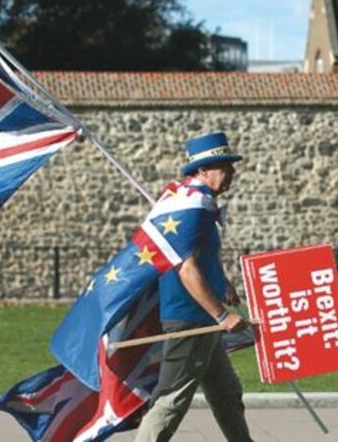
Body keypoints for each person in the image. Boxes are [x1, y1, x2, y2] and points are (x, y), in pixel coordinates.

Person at [135, 131, 254, 442]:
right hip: (191, 316)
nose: (232, 173)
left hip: (202, 318)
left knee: (226, 392)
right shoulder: (194, 207)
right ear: (202, 171)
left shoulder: (192, 203)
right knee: (171, 399)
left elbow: (199, 256)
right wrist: (221, 315)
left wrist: (221, 281)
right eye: (224, 167)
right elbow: (185, 267)